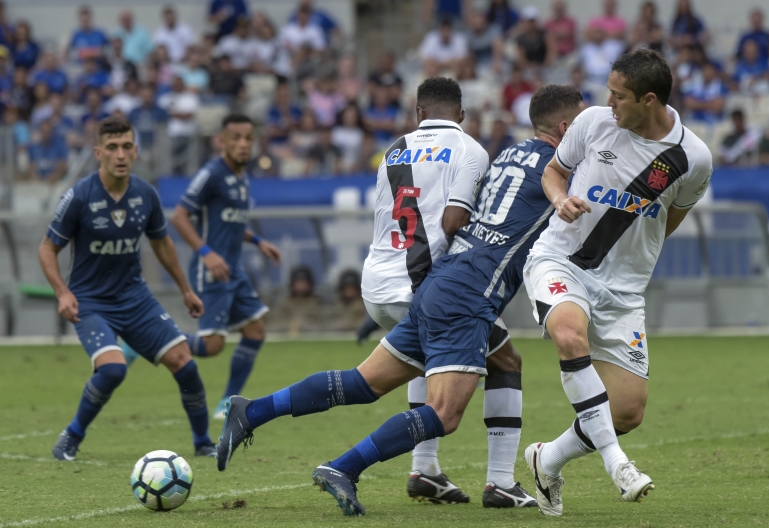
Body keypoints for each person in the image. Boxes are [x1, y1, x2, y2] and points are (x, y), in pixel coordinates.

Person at [215, 83, 587, 515]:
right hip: (442, 284)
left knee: (368, 382)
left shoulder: (394, 149)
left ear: (417, 111)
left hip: (381, 279)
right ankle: (366, 468)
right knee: (445, 410)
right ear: (462, 115)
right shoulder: (472, 151)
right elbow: (452, 221)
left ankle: (254, 411)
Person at [521, 49, 712, 516]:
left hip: (623, 291)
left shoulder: (693, 158)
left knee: (627, 411)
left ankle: (547, 459)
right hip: (561, 261)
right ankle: (618, 465)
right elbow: (553, 171)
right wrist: (561, 199)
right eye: (608, 91)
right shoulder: (592, 123)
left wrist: (628, 256)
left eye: (618, 95)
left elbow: (668, 221)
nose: (609, 103)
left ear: (649, 100)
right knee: (569, 333)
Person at [41, 117, 215, 461]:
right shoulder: (79, 196)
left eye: (126, 147)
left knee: (186, 364)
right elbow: (47, 248)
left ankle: (204, 443)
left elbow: (162, 244)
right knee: (113, 369)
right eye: (112, 148)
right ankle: (71, 436)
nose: (120, 154)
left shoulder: (145, 194)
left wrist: (185, 290)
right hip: (91, 302)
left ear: (135, 151)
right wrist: (63, 291)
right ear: (98, 153)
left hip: (135, 299)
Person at [171, 114, 282, 419]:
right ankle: (154, 338)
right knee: (212, 345)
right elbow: (179, 217)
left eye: (248, 138)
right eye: (236, 138)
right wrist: (206, 252)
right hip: (213, 270)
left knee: (255, 331)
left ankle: (227, 403)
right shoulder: (211, 173)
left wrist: (258, 241)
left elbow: (230, 224)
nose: (243, 144)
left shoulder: (242, 178)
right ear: (222, 141)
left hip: (234, 269)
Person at [128, 83, 170, 149]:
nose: (147, 99)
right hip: (139, 148)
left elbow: (164, 131)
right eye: (144, 96)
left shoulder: (161, 112)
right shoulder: (134, 112)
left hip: (156, 147)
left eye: (149, 96)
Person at [27, 118, 68, 184]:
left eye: (48, 131)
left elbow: (63, 166)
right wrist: (35, 179)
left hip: (56, 183)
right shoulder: (33, 148)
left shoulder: (59, 146)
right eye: (43, 131)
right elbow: (31, 167)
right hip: (38, 182)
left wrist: (55, 177)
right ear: (40, 132)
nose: (46, 134)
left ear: (52, 132)